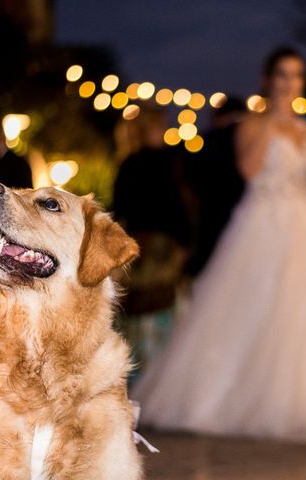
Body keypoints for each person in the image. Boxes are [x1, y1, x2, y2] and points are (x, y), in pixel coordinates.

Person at [132, 47, 306, 441]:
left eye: (296, 76)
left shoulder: (305, 129)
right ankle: (234, 399)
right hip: (266, 221)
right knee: (257, 308)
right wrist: (270, 122)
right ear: (267, 80)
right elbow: (249, 170)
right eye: (282, 75)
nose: (289, 83)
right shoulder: (254, 123)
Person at [113, 104, 191, 377]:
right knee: (165, 311)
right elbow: (175, 207)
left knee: (134, 315)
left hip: (135, 250)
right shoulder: (167, 162)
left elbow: (118, 211)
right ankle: (161, 378)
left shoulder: (127, 163)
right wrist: (185, 243)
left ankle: (135, 376)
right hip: (162, 249)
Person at [184, 97, 246, 276]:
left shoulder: (208, 139)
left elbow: (193, 177)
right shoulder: (246, 140)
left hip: (212, 211)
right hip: (240, 210)